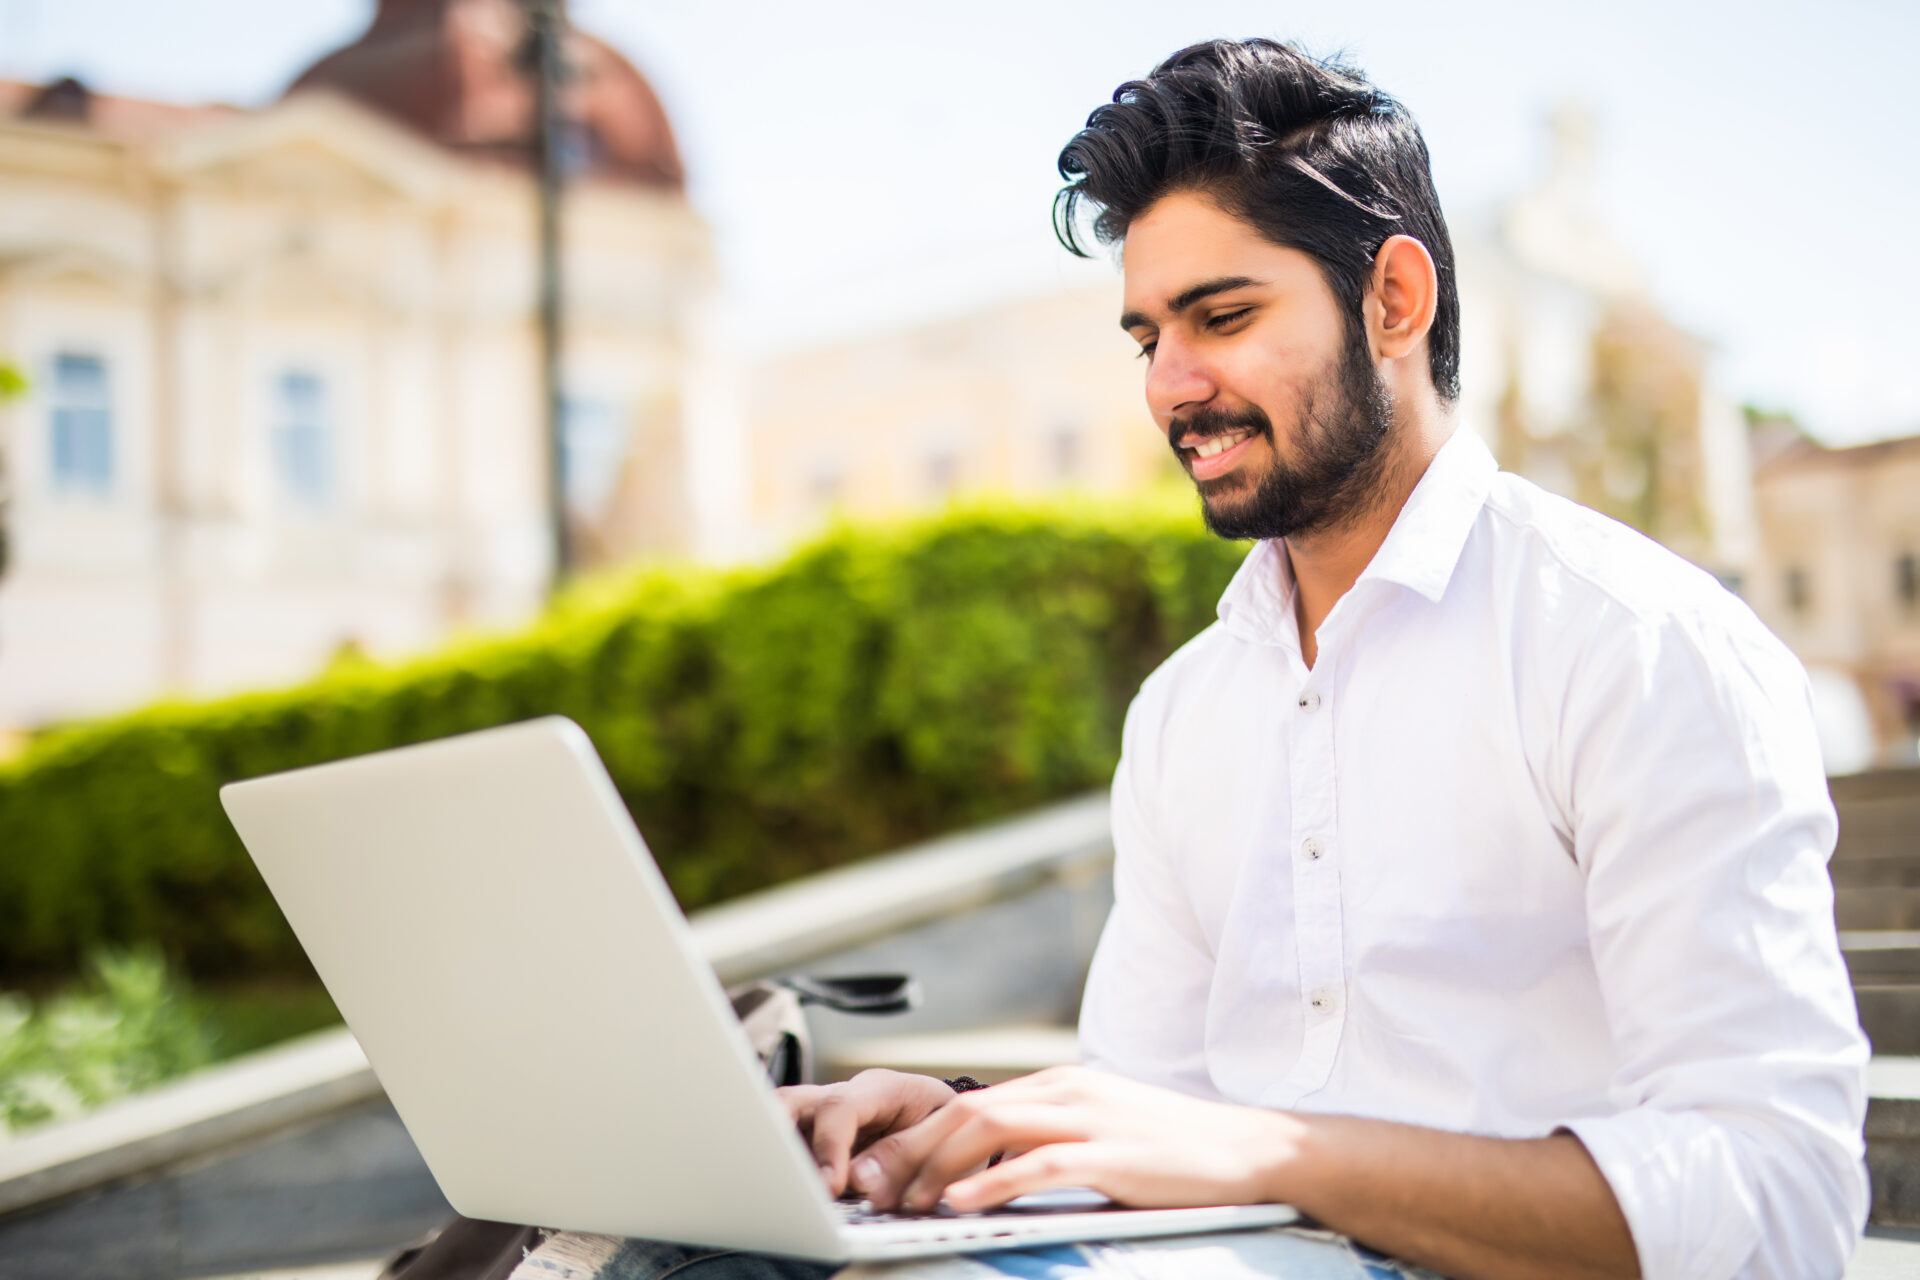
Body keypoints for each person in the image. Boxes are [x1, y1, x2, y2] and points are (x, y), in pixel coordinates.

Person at [613, 37, 1868, 1280]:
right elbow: (1155, 1103)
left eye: (1222, 316)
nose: (1172, 385)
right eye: (1147, 336)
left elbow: (1781, 1198)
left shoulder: (1639, 645)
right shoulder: (1186, 710)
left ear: (1394, 300)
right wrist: (960, 1113)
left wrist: (1276, 1151)